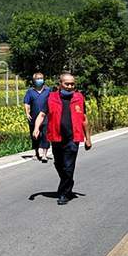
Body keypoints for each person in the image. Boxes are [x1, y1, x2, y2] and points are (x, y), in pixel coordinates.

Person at [33, 72, 92, 206]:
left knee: (68, 166)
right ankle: (68, 183)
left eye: (72, 84)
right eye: (67, 84)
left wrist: (88, 138)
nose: (70, 86)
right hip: (56, 138)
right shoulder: (51, 97)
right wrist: (36, 128)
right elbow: (42, 115)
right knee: (59, 165)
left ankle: (64, 193)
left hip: (73, 138)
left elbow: (84, 120)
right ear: (60, 84)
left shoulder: (79, 98)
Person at [23, 72, 51, 162]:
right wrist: (27, 113)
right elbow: (26, 103)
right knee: (35, 135)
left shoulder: (48, 90)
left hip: (46, 116)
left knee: (46, 134)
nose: (39, 80)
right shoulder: (30, 91)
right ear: (34, 80)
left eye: (41, 78)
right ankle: (36, 152)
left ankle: (44, 154)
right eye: (37, 78)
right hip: (33, 116)